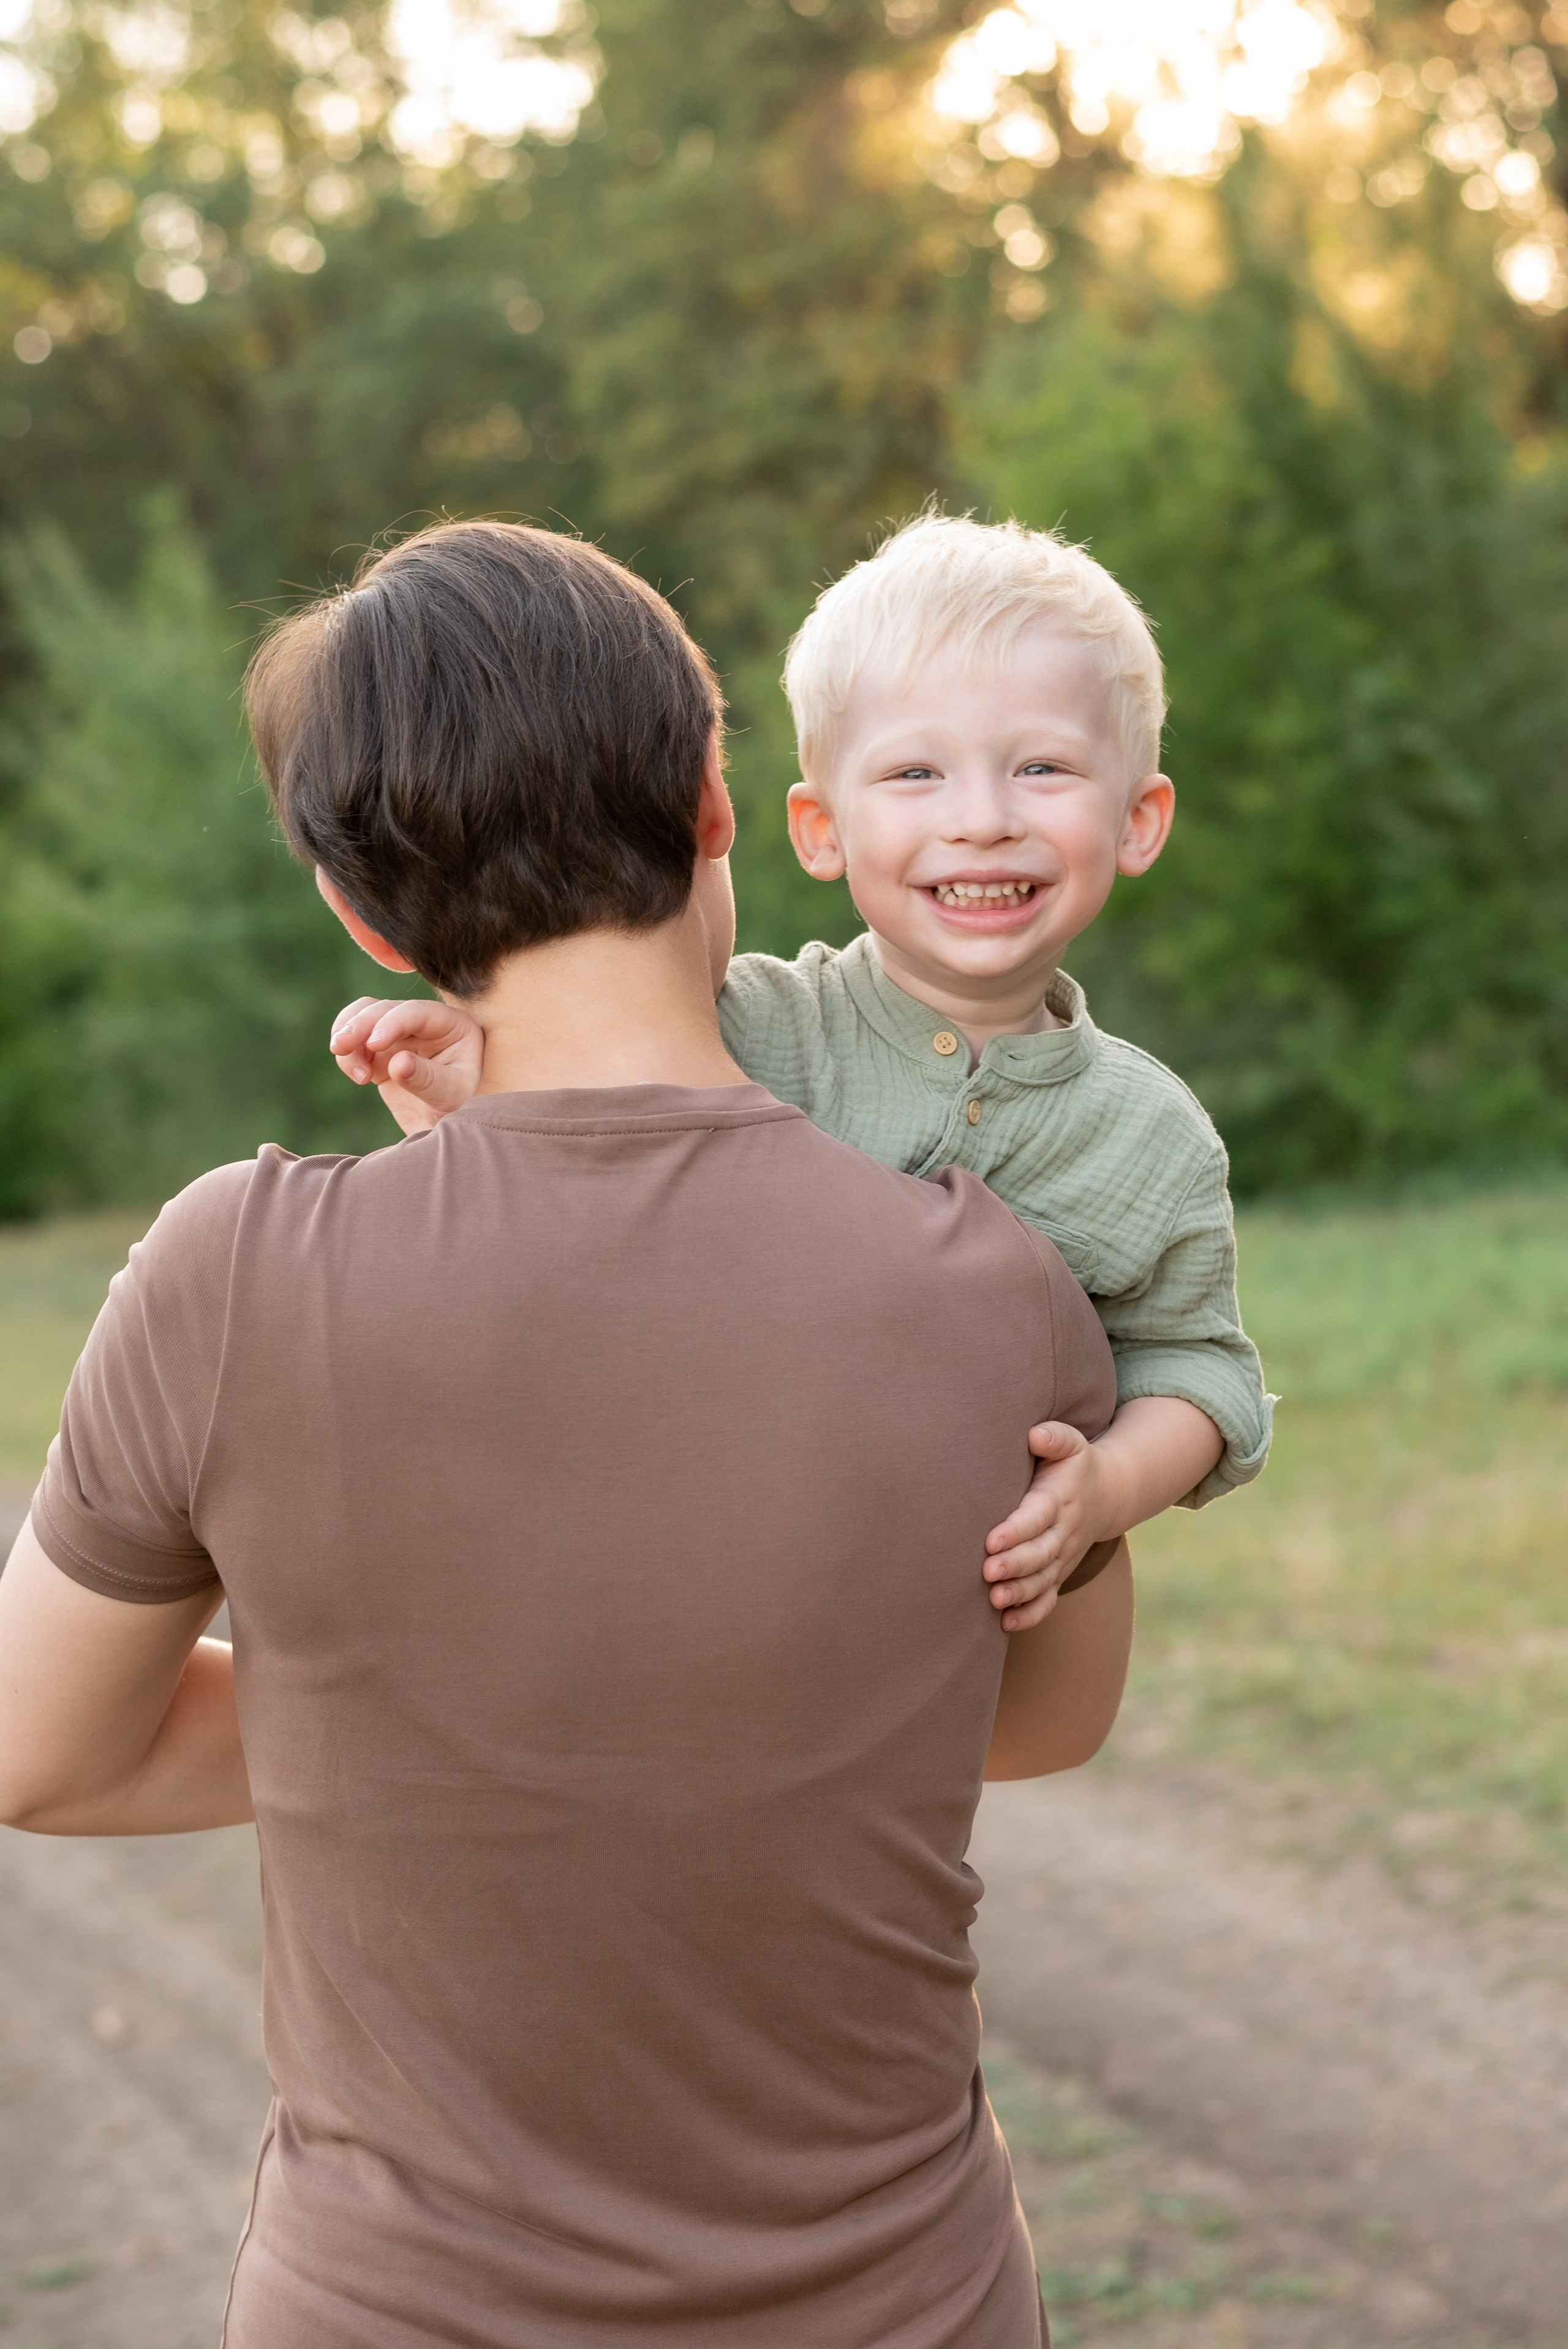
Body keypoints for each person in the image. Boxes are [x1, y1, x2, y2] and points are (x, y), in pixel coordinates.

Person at [0, 520, 1133, 2348]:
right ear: (713, 805)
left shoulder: (235, 1279)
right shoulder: (993, 1275)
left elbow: (40, 1753)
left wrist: (416, 1717)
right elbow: (1047, 1715)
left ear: (361, 914)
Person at [332, 513, 1270, 1631]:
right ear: (822, 829)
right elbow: (597, 1177)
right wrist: (474, 1091)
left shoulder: (1150, 1135)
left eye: (1044, 767)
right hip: (701, 1564)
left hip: (944, 1611)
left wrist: (1109, 1484)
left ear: (1139, 818)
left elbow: (1201, 1371)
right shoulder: (745, 1027)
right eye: (916, 771)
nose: (982, 819)